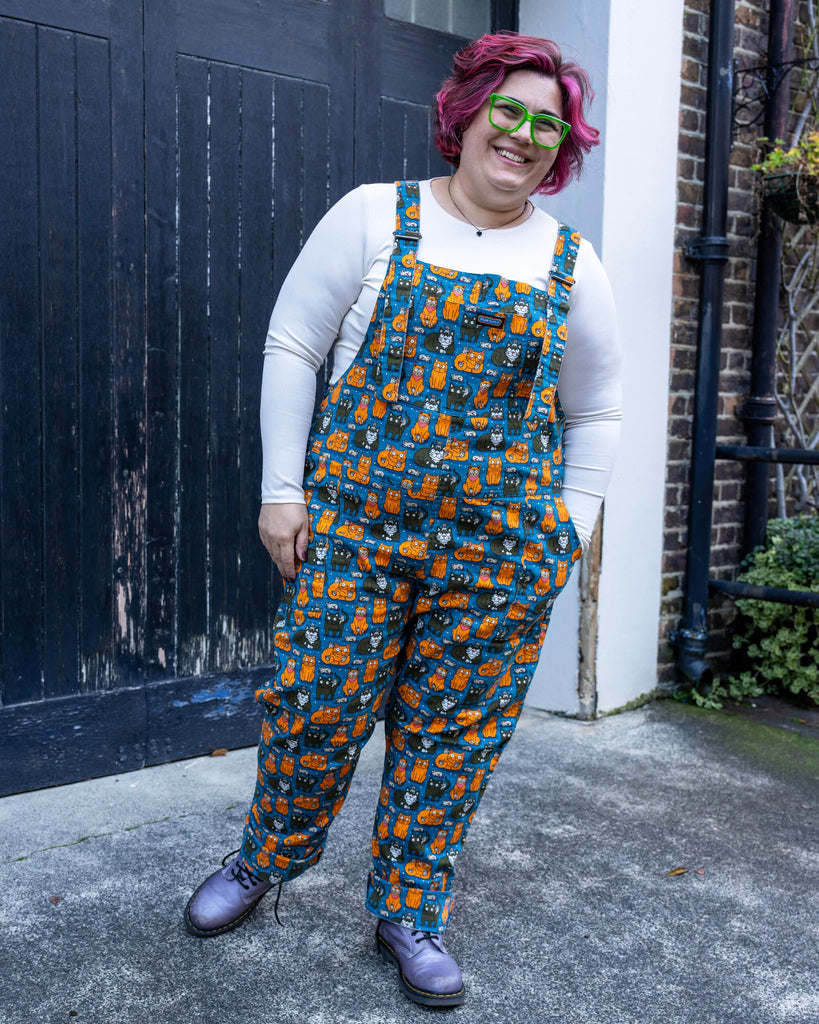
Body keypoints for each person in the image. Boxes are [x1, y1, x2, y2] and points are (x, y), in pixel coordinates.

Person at [184, 31, 622, 1008]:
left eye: (548, 126)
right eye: (508, 111)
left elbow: (597, 409)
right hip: (355, 532)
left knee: (453, 737)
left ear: (562, 150)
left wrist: (571, 528)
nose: (524, 135)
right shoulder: (376, 217)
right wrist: (281, 491)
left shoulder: (570, 264)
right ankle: (264, 861)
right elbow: (293, 345)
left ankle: (409, 912)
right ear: (466, 114)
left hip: (500, 556)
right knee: (314, 704)